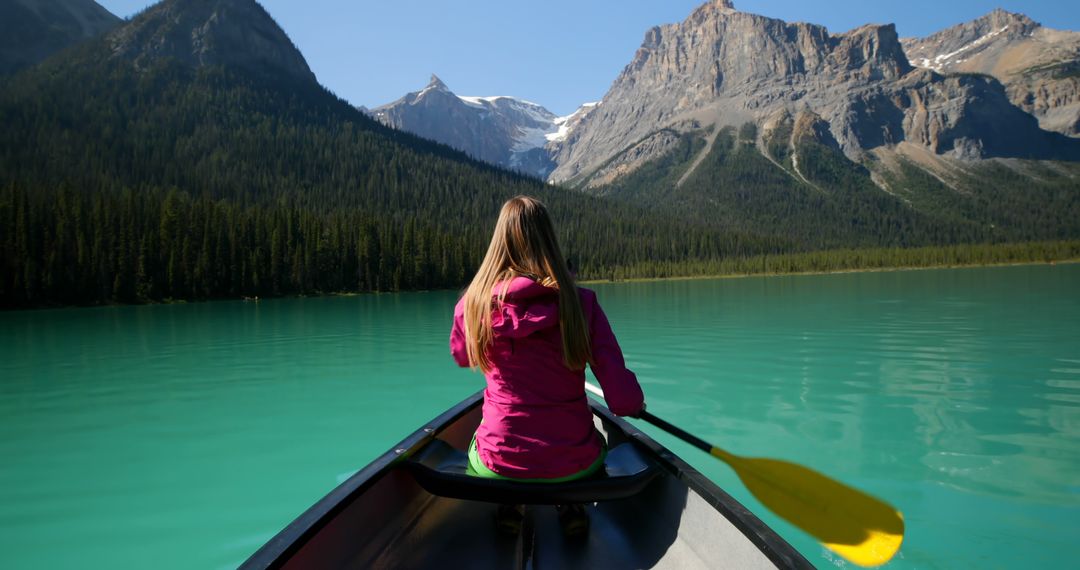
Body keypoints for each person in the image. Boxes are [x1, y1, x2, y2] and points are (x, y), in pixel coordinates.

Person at [449, 195, 645, 538]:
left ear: (499, 243)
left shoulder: (472, 305)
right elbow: (622, 401)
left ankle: (510, 505)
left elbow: (461, 356)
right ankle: (570, 505)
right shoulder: (581, 303)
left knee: (482, 435)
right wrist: (635, 403)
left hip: (498, 465)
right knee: (583, 443)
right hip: (575, 466)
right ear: (549, 241)